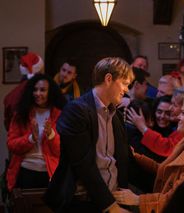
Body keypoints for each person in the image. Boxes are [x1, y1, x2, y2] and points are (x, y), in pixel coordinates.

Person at [44, 57, 135, 213]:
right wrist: (111, 207)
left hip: (113, 200)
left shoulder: (116, 115)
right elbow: (84, 165)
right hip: (83, 204)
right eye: (125, 83)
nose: (127, 90)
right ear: (108, 79)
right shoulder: (76, 111)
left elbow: (122, 159)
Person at [113, 96, 184, 213]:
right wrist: (135, 156)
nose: (178, 117)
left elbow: (182, 197)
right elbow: (164, 170)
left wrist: (138, 200)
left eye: (183, 113)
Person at [6, 73, 65, 191]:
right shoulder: (21, 114)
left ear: (50, 92)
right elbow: (11, 144)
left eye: (42, 90)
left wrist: (51, 135)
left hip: (50, 173)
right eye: (35, 90)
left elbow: (62, 151)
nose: (38, 93)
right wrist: (31, 138)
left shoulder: (59, 115)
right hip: (25, 171)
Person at [4, 52, 44, 131]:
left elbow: (8, 124)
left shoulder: (10, 96)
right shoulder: (44, 92)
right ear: (40, 71)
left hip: (16, 139)